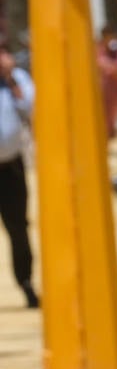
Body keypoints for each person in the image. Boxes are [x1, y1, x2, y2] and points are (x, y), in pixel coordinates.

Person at [0, 39, 38, 308]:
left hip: (11, 166)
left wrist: (11, 79)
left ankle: (26, 283)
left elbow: (30, 108)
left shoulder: (17, 80)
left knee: (18, 228)